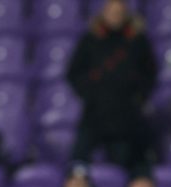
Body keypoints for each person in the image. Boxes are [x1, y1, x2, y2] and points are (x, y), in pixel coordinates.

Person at [67, 0, 156, 172]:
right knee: (77, 165)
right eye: (112, 12)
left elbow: (150, 73)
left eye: (119, 13)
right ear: (104, 13)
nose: (115, 16)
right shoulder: (91, 39)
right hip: (94, 114)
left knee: (120, 168)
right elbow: (73, 73)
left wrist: (138, 97)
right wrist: (89, 93)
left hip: (124, 118)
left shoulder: (137, 40)